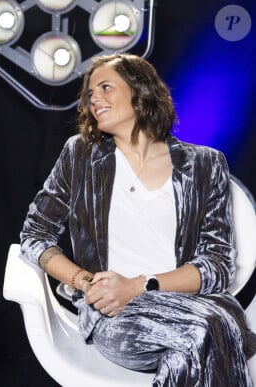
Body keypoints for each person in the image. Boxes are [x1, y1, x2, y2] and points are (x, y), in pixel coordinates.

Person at [20, 53, 256, 386]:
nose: (94, 99)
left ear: (141, 92)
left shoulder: (206, 164)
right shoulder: (80, 156)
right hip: (117, 316)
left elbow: (217, 266)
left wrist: (137, 285)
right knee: (208, 329)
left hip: (193, 306)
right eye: (89, 94)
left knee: (187, 349)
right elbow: (35, 235)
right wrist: (86, 282)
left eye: (105, 87)